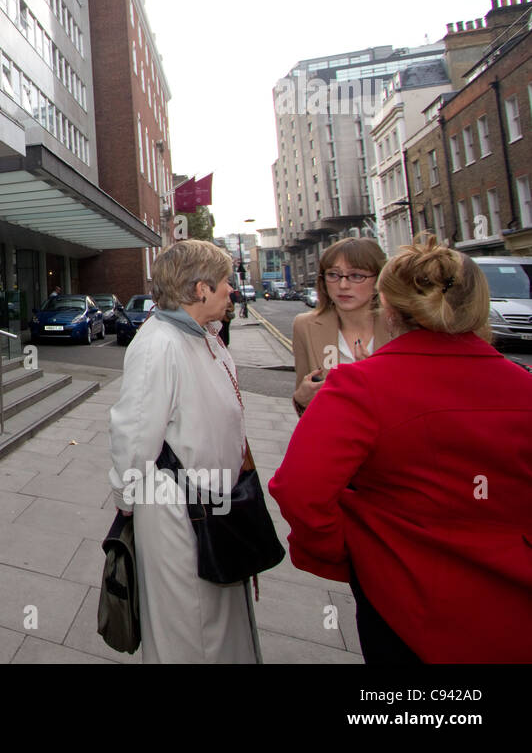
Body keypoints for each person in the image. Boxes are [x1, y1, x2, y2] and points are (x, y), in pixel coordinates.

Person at [269, 235, 532, 662]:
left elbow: (300, 490)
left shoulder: (358, 386)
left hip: (403, 601)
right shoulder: (524, 386)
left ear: (388, 309)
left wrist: (349, 553)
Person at [107, 239, 261, 663]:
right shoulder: (159, 343)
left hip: (214, 509)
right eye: (225, 281)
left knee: (216, 628)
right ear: (200, 289)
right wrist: (125, 497)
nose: (232, 290)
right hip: (178, 515)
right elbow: (134, 433)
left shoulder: (204, 337)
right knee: (189, 633)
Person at [291, 237, 391, 416]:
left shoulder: (400, 326)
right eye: (333, 275)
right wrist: (300, 399)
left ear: (378, 279)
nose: (343, 285)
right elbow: (305, 401)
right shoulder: (304, 326)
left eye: (356, 276)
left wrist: (371, 377)